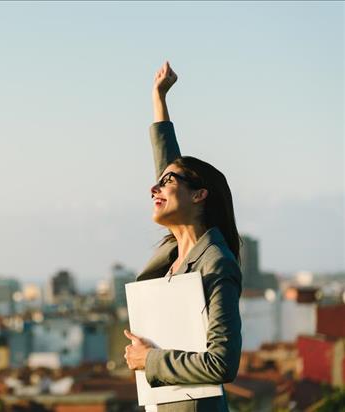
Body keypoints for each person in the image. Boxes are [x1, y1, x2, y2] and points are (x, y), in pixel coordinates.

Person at [122, 61, 243, 412]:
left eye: (167, 183)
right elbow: (170, 163)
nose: (154, 187)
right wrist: (158, 99)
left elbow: (222, 363)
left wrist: (150, 360)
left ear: (199, 195)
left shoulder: (217, 263)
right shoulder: (177, 252)